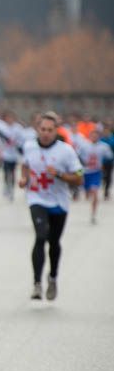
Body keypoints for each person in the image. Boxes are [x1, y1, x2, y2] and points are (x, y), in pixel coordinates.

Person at [20, 112, 84, 300]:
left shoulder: (66, 151)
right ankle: (37, 283)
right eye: (43, 130)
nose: (46, 133)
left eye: (50, 130)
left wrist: (60, 175)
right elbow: (25, 165)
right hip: (36, 198)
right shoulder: (29, 146)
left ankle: (53, 277)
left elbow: (79, 177)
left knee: (54, 242)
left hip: (59, 202)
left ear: (56, 131)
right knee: (40, 237)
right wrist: (24, 178)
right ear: (37, 130)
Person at [77, 128, 112, 224]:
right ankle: (87, 193)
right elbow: (77, 157)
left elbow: (109, 157)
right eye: (92, 135)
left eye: (96, 135)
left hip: (96, 173)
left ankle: (93, 214)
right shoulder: (84, 146)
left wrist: (104, 164)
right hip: (86, 172)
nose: (94, 137)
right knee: (87, 192)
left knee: (95, 192)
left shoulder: (104, 146)